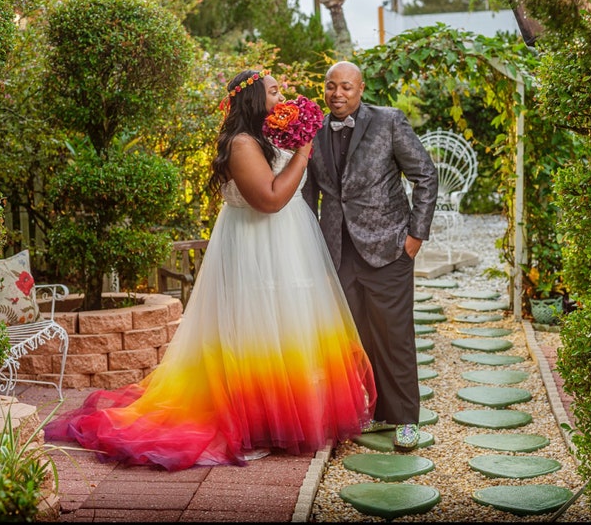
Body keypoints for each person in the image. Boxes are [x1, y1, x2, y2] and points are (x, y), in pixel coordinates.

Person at [45, 69, 376, 471]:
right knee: (256, 334)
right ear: (253, 99)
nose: (281, 98)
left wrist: (293, 142)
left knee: (287, 329)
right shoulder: (241, 144)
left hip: (285, 243)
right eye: (273, 92)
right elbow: (270, 200)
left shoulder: (265, 137)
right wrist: (305, 149)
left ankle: (285, 417)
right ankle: (256, 423)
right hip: (257, 245)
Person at [302, 61, 438, 450]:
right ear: (323, 89)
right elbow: (310, 193)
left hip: (389, 246)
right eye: (331, 86)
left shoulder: (389, 121)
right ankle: (379, 412)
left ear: (360, 89)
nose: (337, 94)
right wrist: (309, 243)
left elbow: (425, 175)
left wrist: (415, 235)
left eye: (346, 86)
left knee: (395, 337)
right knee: (356, 339)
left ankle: (406, 421)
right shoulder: (312, 131)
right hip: (338, 251)